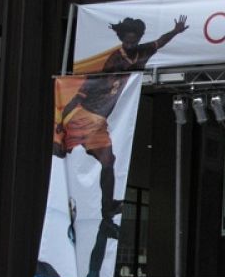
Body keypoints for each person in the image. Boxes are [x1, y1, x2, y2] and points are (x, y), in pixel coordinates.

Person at [54, 15, 189, 230]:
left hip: (101, 121)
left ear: (138, 38)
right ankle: (56, 207)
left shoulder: (142, 52)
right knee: (60, 155)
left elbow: (160, 42)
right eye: (126, 39)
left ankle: (106, 213)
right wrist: (61, 120)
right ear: (121, 38)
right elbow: (77, 97)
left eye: (133, 39)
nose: (130, 43)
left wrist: (176, 31)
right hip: (84, 117)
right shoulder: (112, 61)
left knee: (108, 161)